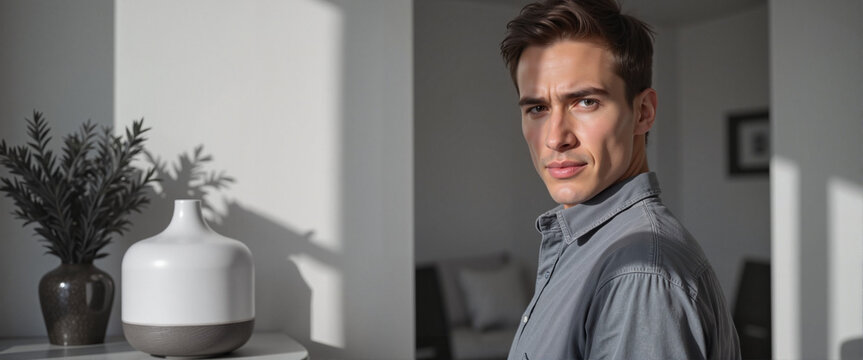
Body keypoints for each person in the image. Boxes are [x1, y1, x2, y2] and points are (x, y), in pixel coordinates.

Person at [499, 0, 741, 359]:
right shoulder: (588, 247)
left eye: (585, 102)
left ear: (643, 112)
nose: (555, 137)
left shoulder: (639, 273)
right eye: (537, 108)